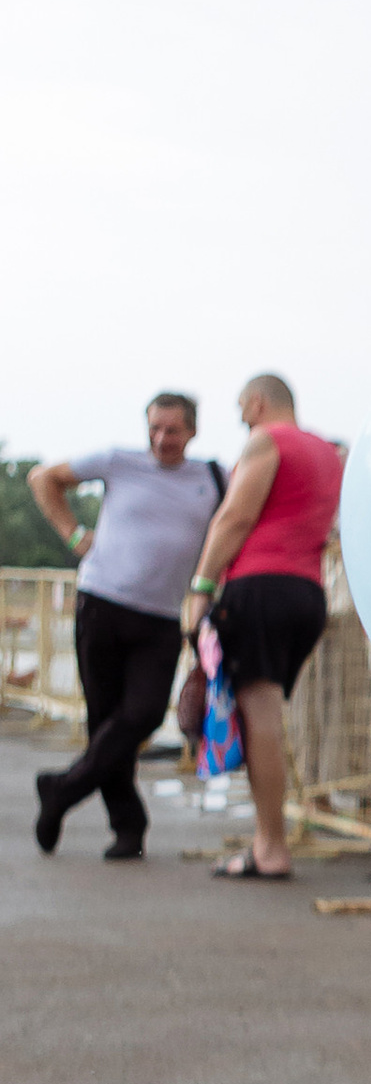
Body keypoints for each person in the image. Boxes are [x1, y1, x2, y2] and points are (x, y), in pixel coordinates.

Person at [29, 394, 224, 860]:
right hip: (101, 605)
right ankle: (129, 827)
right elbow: (43, 478)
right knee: (104, 722)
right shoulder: (119, 461)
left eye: (172, 430)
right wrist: (74, 534)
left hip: (161, 618)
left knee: (144, 714)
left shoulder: (214, 477)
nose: (161, 439)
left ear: (192, 431)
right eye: (154, 428)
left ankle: (61, 790)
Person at [180, 374, 346, 884]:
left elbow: (234, 517)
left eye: (241, 407)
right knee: (267, 714)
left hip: (259, 586)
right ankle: (267, 839)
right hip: (307, 593)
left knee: (260, 718)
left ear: (257, 402)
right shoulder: (328, 453)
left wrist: (201, 588)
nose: (240, 418)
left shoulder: (266, 440)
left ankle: (270, 846)